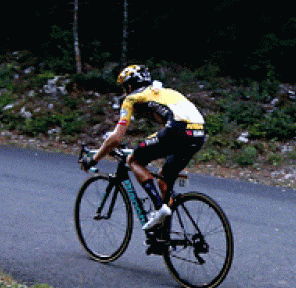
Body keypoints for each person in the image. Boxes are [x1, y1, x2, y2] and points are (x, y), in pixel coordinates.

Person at [80, 65, 206, 250]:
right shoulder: (164, 92)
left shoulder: (132, 98)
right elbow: (166, 131)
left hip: (177, 130)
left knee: (133, 160)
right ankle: (162, 239)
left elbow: (116, 138)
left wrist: (94, 159)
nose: (125, 91)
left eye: (125, 87)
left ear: (130, 86)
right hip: (199, 133)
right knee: (164, 180)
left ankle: (159, 208)